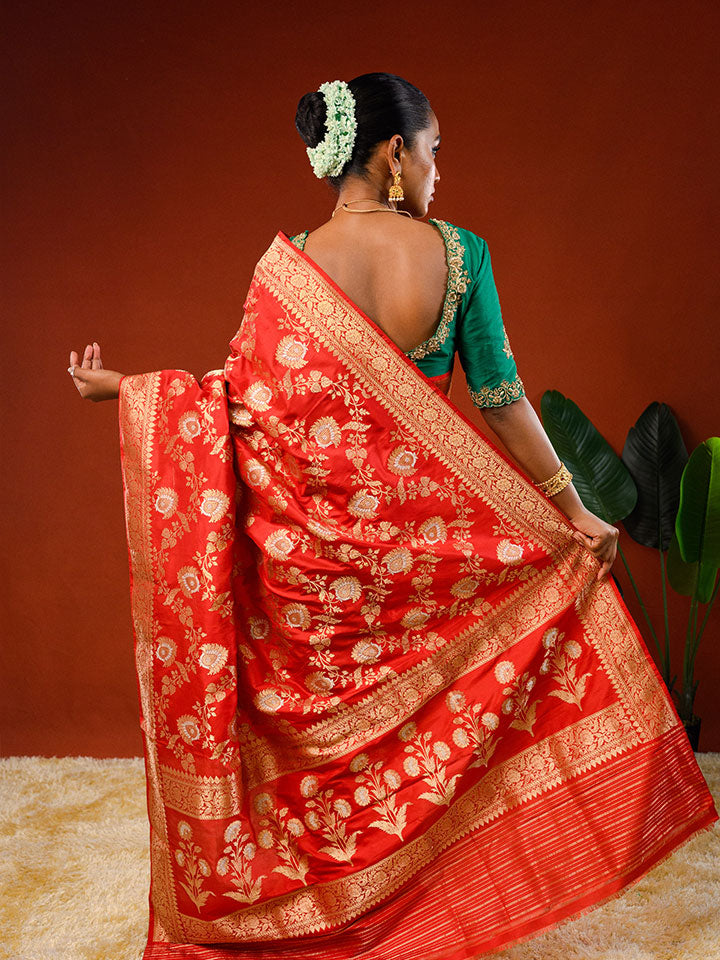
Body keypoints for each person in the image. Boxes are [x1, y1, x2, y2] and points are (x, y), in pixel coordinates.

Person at [68, 73, 716, 960]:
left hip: (314, 578)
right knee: (430, 737)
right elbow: (500, 397)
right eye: (436, 150)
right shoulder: (461, 255)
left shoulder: (290, 267)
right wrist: (574, 508)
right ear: (395, 153)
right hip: (424, 563)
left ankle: (326, 913)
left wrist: (126, 389)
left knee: (324, 756)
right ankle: (409, 914)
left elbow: (240, 406)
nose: (441, 170)